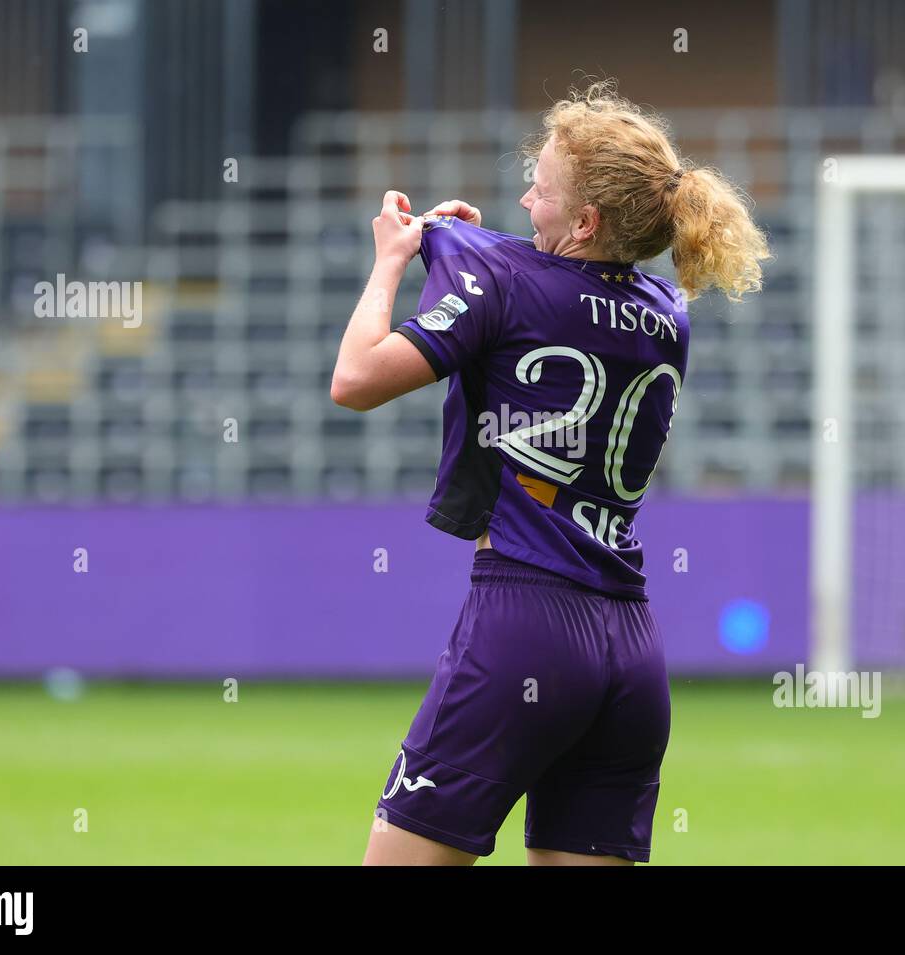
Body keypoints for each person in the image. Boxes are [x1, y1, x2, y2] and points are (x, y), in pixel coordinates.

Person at [332, 81, 769, 865]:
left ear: (586, 220)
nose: (525, 196)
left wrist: (394, 260)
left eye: (542, 185)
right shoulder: (670, 315)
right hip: (631, 652)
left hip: (523, 625)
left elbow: (355, 380)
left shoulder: (501, 282)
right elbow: (566, 287)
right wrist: (468, 251)